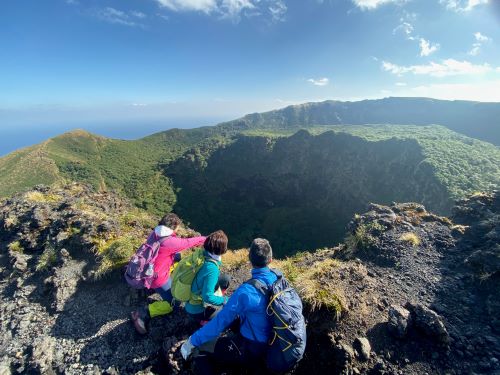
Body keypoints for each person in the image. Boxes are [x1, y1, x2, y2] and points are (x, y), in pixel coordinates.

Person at [180, 238, 277, 375]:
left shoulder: (246, 291)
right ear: (271, 260)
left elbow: (219, 323)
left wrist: (191, 341)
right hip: (275, 343)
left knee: (200, 348)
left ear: (250, 261)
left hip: (252, 348)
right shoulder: (279, 279)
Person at [131, 213, 206, 334]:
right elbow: (188, 242)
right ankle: (143, 312)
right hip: (157, 278)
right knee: (174, 302)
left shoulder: (155, 234)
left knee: (177, 256)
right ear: (174, 226)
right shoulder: (170, 242)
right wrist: (206, 239)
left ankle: (151, 288)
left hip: (147, 270)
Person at [185, 230, 231, 324]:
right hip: (196, 308)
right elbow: (207, 297)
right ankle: (203, 319)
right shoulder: (212, 268)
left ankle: (215, 302)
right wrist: (225, 300)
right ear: (223, 249)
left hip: (191, 296)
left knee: (225, 279)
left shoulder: (201, 254)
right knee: (229, 314)